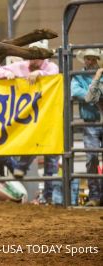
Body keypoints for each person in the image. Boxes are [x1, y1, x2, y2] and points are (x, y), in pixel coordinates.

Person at [0, 40, 62, 203]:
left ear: (44, 57)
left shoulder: (50, 68)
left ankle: (47, 196)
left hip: (47, 117)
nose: (33, 59)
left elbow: (55, 72)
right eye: (31, 55)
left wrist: (40, 74)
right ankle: (20, 168)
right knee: (25, 144)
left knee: (51, 160)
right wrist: (6, 74)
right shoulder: (21, 66)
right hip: (25, 118)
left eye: (37, 56)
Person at [73, 48, 103, 207]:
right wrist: (93, 93)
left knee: (92, 159)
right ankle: (95, 196)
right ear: (84, 60)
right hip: (90, 121)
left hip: (97, 121)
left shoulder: (79, 77)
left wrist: (90, 95)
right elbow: (76, 93)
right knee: (92, 158)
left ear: (97, 60)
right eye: (87, 58)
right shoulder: (78, 76)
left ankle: (98, 196)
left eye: (93, 58)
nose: (90, 61)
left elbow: (85, 95)